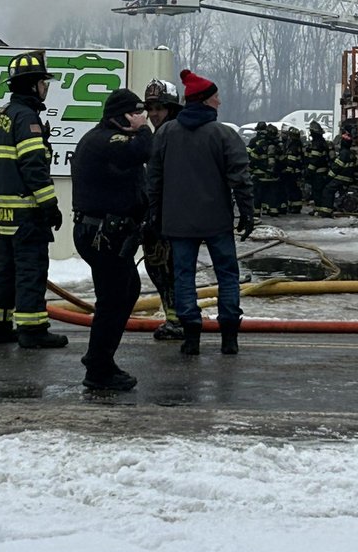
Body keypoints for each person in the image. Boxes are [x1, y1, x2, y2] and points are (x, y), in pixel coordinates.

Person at [147, 68, 254, 356]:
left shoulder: (166, 134)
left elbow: (153, 180)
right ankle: (229, 336)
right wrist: (246, 212)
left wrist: (154, 214)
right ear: (206, 100)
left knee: (183, 276)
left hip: (177, 222)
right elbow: (240, 178)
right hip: (217, 220)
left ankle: (191, 335)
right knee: (227, 275)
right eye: (217, 97)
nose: (219, 102)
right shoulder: (224, 135)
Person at [0, 49, 67, 348]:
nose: (46, 88)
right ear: (32, 85)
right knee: (31, 269)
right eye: (44, 83)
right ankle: (33, 330)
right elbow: (34, 166)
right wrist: (50, 206)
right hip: (27, 213)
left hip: (3, 212)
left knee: (4, 270)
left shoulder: (0, 117)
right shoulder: (27, 119)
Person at [71, 88, 152, 391]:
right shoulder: (107, 140)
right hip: (101, 234)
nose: (143, 118)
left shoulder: (109, 140)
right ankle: (98, 368)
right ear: (123, 116)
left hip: (109, 233)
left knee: (126, 290)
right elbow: (143, 151)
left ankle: (99, 358)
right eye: (137, 112)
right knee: (114, 297)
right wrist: (144, 128)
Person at [141, 78, 183, 339]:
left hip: (170, 217)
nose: (154, 114)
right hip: (162, 215)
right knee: (160, 269)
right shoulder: (161, 135)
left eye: (159, 108)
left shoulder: (171, 136)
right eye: (151, 109)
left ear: (172, 108)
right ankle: (176, 316)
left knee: (167, 269)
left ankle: (177, 319)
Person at [306, 119, 331, 214]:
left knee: (317, 191)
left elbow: (315, 160)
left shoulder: (317, 144)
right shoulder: (322, 142)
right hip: (323, 171)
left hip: (318, 172)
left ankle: (319, 210)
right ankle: (318, 209)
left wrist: (309, 171)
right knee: (318, 191)